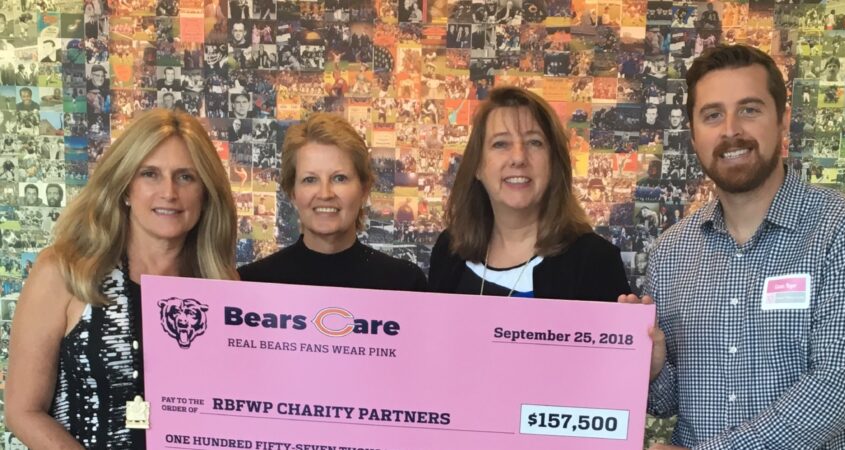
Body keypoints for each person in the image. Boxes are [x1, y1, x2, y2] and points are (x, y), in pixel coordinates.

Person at [620, 45, 845, 449]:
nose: (731, 130)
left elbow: (836, 393)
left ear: (782, 120)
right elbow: (666, 404)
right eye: (713, 115)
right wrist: (652, 369)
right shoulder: (670, 251)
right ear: (694, 135)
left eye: (749, 109)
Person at [5, 109, 238, 449]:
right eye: (150, 174)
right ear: (126, 188)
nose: (169, 192)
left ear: (205, 193)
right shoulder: (65, 271)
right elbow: (23, 411)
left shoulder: (223, 287)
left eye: (186, 177)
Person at [428, 86, 630, 300]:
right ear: (477, 166)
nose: (518, 158)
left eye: (534, 143)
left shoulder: (594, 261)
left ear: (554, 163)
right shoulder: (449, 250)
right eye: (500, 144)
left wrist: (641, 333)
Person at [239, 113, 426, 291]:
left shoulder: (405, 283)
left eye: (339, 178)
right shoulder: (252, 283)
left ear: (364, 189)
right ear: (292, 192)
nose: (325, 193)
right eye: (310, 180)